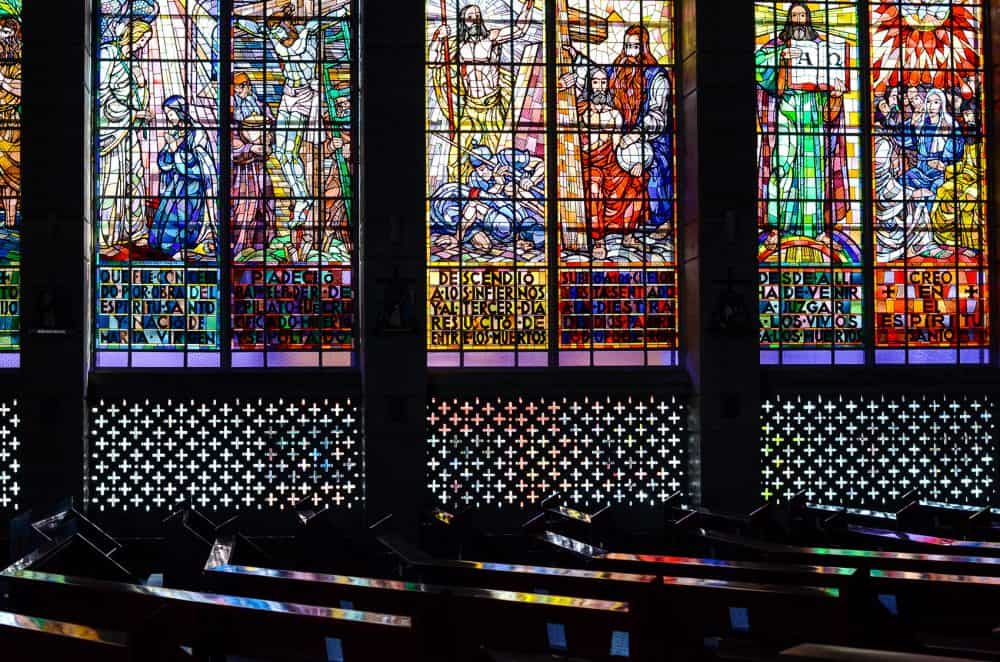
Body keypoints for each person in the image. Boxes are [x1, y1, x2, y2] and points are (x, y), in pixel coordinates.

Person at [235, 0, 349, 259]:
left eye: (277, 28)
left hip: (307, 95)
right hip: (289, 94)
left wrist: (341, 11)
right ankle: (301, 198)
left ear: (287, 24)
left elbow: (335, 13)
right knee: (282, 151)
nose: (274, 33)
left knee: (298, 149)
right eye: (272, 29)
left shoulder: (307, 31)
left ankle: (305, 202)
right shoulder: (275, 36)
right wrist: (236, 17)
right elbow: (247, 24)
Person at [755, 3, 849, 263]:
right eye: (794, 17)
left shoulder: (824, 49)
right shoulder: (777, 46)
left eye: (802, 17)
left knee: (814, 171)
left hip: (813, 109)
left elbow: (833, 103)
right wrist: (782, 58)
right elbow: (757, 64)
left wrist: (836, 93)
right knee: (782, 166)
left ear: (808, 20)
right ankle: (777, 227)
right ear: (788, 20)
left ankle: (815, 229)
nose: (798, 21)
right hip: (786, 109)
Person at [564, 24, 673, 239]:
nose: (630, 52)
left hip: (649, 136)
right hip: (618, 133)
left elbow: (658, 115)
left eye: (635, 47)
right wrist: (576, 57)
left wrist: (635, 135)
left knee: (655, 166)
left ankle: (661, 220)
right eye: (627, 47)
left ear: (644, 47)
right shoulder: (617, 69)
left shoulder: (656, 76)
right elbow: (597, 75)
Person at [428, 0, 536, 182]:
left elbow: (519, 30)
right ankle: (459, 189)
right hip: (471, 108)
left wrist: (528, 6)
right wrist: (437, 39)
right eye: (470, 17)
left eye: (478, 16)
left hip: (492, 106)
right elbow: (433, 63)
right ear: (463, 22)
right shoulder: (457, 46)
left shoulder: (492, 39)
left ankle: (498, 191)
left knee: (496, 153)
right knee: (457, 156)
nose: (475, 19)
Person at [572, 68, 646, 260]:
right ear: (589, 84)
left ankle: (628, 235)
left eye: (603, 82)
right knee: (594, 185)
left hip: (609, 163)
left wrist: (634, 164)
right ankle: (598, 240)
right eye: (595, 82)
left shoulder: (614, 114)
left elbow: (618, 148)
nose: (600, 87)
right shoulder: (579, 110)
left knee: (636, 183)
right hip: (587, 164)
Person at [97, 19, 153, 259]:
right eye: (141, 39)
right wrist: (133, 113)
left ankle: (134, 231)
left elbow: (137, 91)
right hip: (112, 131)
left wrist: (141, 107)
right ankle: (105, 237)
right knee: (112, 183)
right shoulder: (108, 53)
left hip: (128, 130)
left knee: (135, 179)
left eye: (145, 42)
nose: (142, 45)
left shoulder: (132, 61)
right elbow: (101, 95)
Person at [430, 144, 545, 257]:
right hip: (453, 201)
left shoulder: (507, 157)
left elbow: (542, 164)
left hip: (540, 199)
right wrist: (501, 185)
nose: (481, 173)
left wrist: (532, 181)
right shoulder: (476, 178)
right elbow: (485, 200)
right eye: (478, 169)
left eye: (483, 169)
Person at [149, 96, 217, 259]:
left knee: (184, 220)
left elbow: (199, 163)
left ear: (180, 111)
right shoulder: (175, 131)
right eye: (167, 114)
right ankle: (164, 246)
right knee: (166, 221)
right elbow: (165, 161)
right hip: (176, 185)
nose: (169, 118)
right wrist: (170, 153)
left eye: (171, 113)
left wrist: (175, 150)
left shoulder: (198, 132)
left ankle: (182, 249)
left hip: (193, 187)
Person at [231, 114, 276, 261]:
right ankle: (240, 250)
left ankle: (261, 249)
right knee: (244, 216)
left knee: (266, 213)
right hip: (243, 183)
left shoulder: (264, 137)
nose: (266, 134)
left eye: (267, 130)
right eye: (261, 130)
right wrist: (251, 149)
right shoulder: (234, 136)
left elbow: (267, 150)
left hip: (261, 179)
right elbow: (235, 154)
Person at [0, 17, 20, 229]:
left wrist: (3, 82)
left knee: (10, 177)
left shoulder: (16, 60)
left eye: (8, 33)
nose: (6, 37)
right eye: (3, 32)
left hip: (9, 126)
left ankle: (10, 220)